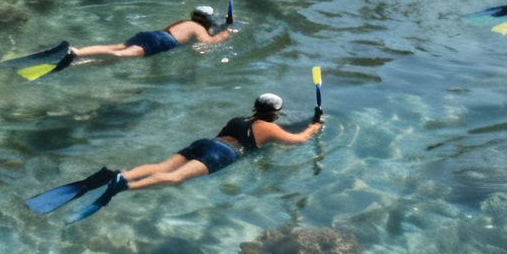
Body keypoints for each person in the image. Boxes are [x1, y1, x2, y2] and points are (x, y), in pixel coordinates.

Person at [24, 92, 323, 222]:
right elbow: (297, 140)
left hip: (208, 142)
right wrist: (315, 125)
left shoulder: (238, 119)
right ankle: (122, 185)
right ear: (275, 113)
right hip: (224, 154)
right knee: (176, 179)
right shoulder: (268, 129)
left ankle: (121, 174)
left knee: (160, 166)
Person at [7, 5, 232, 79]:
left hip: (151, 34)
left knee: (113, 51)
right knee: (124, 55)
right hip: (161, 43)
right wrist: (224, 35)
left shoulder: (185, 22)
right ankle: (76, 53)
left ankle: (75, 57)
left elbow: (199, 44)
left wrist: (218, 30)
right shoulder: (196, 28)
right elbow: (206, 45)